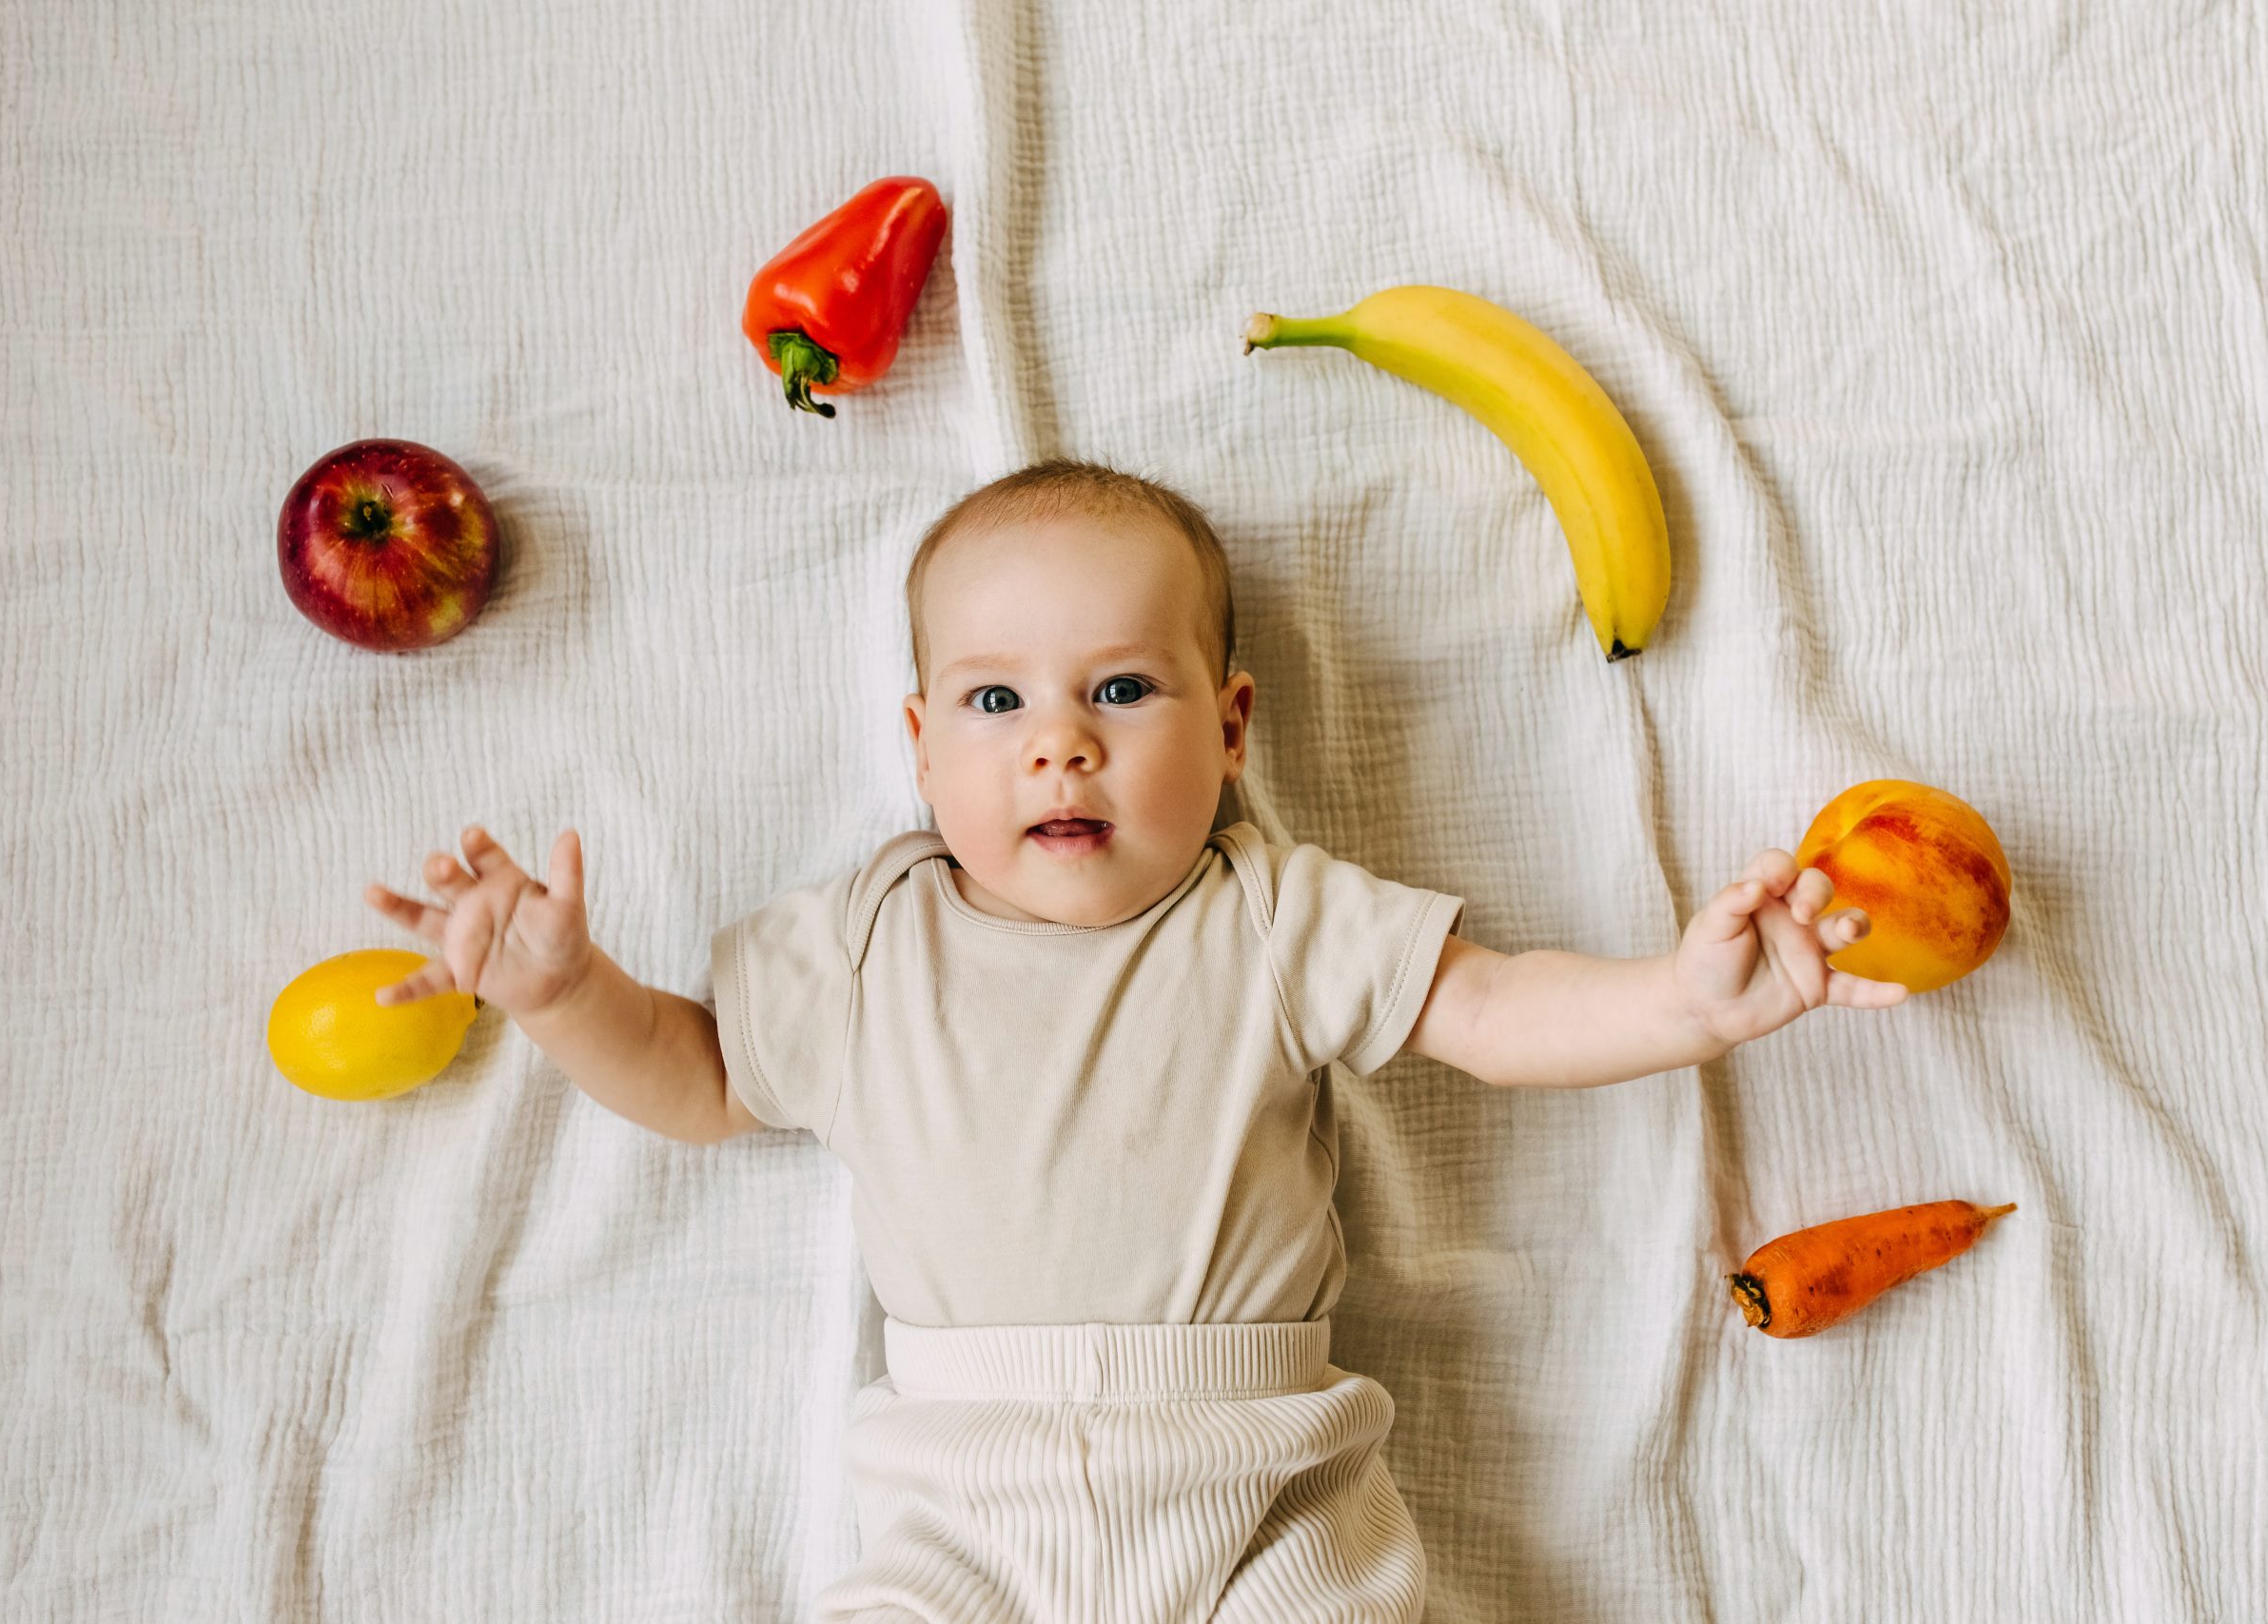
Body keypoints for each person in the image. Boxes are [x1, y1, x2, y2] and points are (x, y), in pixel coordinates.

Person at [362, 459, 1905, 1622]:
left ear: (1231, 729)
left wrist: (1677, 1002)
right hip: (965, 1509)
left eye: (1120, 688)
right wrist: (568, 998)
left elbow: (1491, 1010)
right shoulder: (862, 942)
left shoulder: (1272, 915)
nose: (1060, 740)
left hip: (1260, 1488)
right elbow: (700, 1080)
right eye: (992, 698)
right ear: (917, 745)